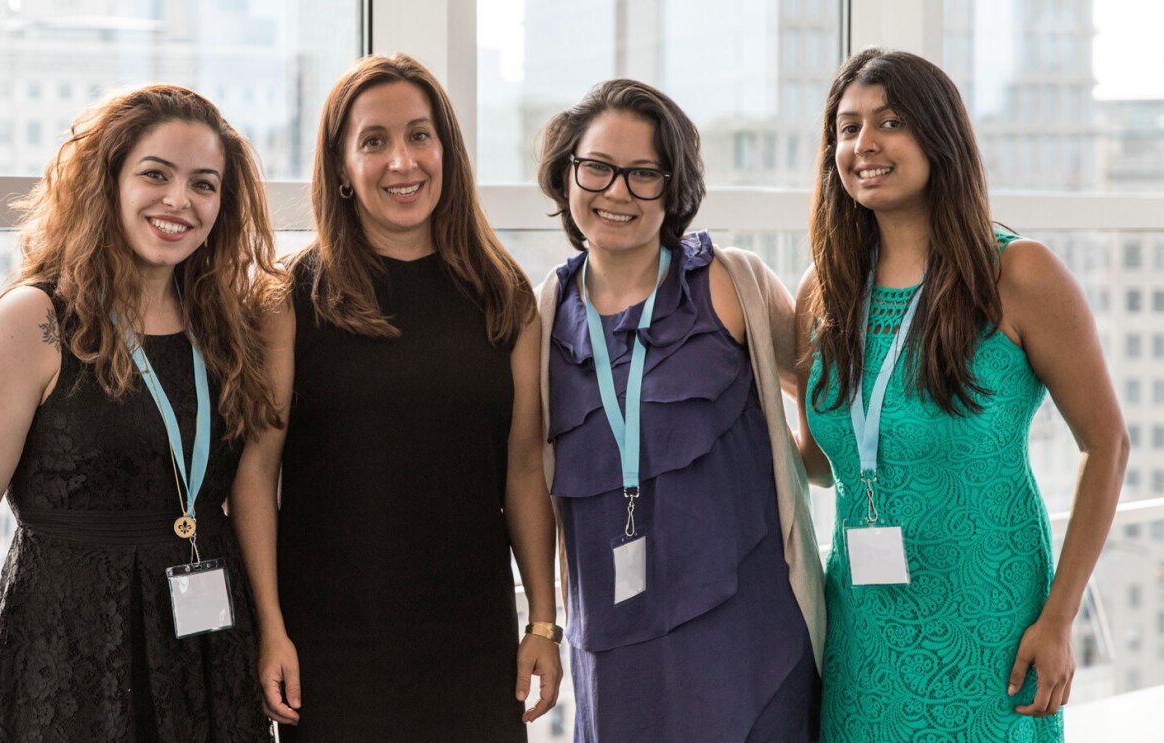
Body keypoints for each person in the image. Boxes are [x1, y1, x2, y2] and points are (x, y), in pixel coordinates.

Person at [796, 48, 1129, 742]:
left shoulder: (1019, 272)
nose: (865, 144)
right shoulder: (823, 291)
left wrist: (1059, 618)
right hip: (862, 627)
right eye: (848, 127)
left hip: (990, 622)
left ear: (939, 137)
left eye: (890, 121)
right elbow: (829, 462)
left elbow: (1107, 445)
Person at [232, 53, 561, 742]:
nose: (402, 161)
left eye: (419, 135)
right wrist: (271, 629)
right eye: (373, 141)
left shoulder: (505, 297)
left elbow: (525, 469)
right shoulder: (291, 296)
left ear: (447, 149)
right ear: (342, 168)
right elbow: (257, 474)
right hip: (332, 646)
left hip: (473, 641)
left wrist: (541, 622)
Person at [0, 84, 279, 742]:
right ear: (108, 180)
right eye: (156, 174)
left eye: (204, 184)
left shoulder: (224, 325)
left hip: (208, 649)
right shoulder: (34, 319)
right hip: (75, 650)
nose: (180, 200)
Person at [534, 78, 826, 742]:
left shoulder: (729, 282)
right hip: (614, 645)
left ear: (675, 188)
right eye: (598, 169)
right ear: (566, 172)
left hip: (748, 635)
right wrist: (543, 624)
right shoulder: (540, 314)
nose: (617, 192)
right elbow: (524, 474)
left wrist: (812, 462)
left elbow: (824, 394)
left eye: (645, 175)